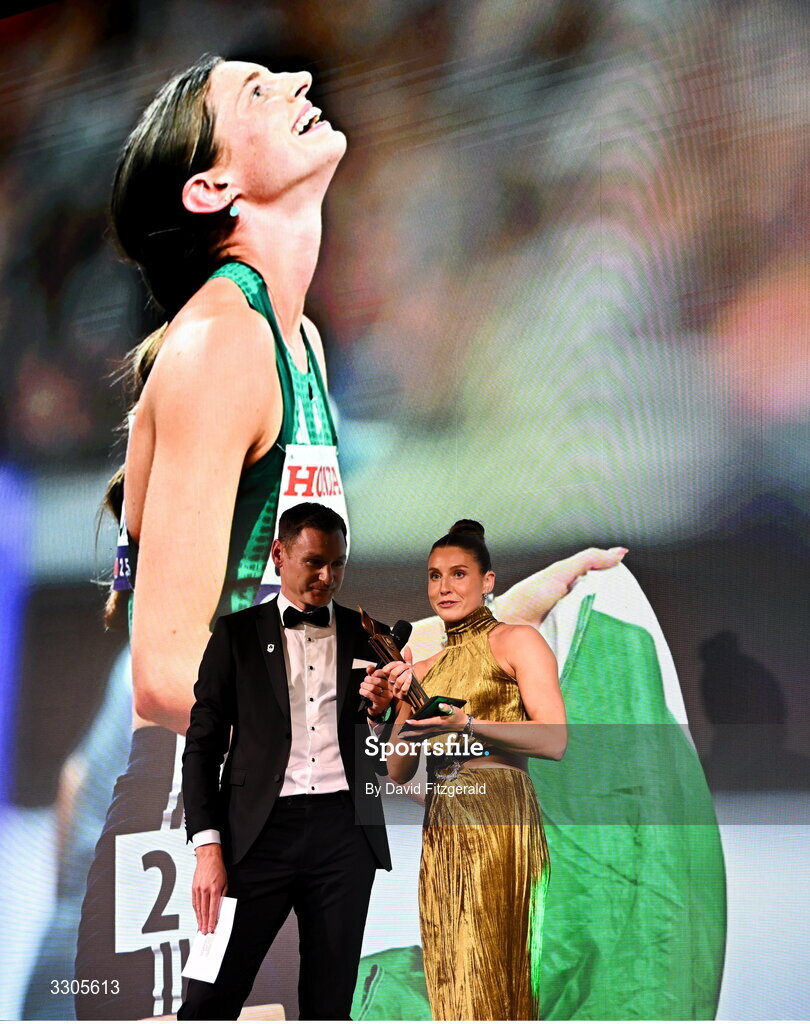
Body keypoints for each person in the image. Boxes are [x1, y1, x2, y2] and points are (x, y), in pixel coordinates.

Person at [70, 50, 627, 1020]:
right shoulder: (220, 347)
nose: (293, 80)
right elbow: (165, 675)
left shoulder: (301, 345)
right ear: (213, 186)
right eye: (254, 90)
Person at [178, 502, 394, 1020]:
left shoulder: (374, 636)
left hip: (345, 835)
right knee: (209, 998)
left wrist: (384, 718)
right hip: (256, 835)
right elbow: (202, 746)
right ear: (278, 554)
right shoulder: (235, 635)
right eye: (315, 562)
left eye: (338, 564)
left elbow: (388, 757)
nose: (327, 577)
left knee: (329, 1004)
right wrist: (208, 848)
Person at [371, 519, 567, 1021]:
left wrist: (470, 724)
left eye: (459, 574)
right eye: (435, 576)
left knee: (496, 971)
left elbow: (554, 738)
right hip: (444, 823)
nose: (444, 587)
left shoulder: (516, 641)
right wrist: (399, 715)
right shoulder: (421, 669)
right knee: (451, 974)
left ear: (488, 581)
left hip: (500, 816)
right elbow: (396, 772)